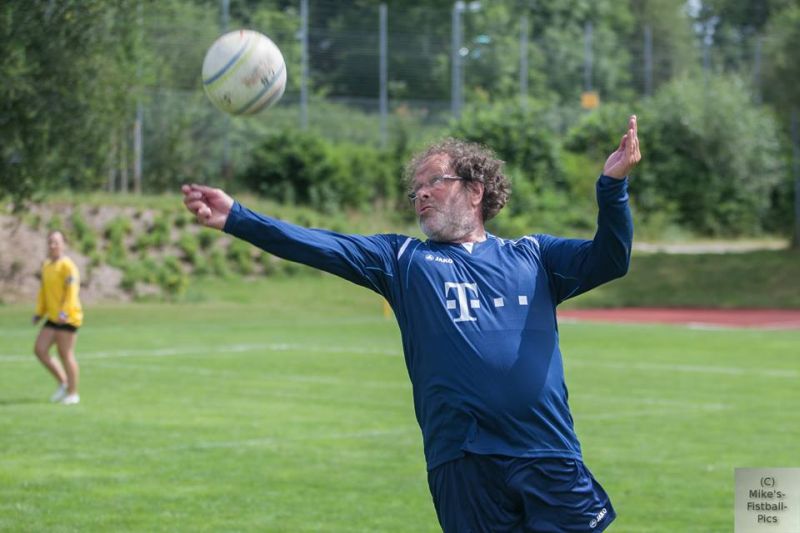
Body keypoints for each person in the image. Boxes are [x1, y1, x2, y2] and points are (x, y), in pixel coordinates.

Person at [182, 115, 641, 532]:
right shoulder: (402, 260)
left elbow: (610, 259)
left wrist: (612, 186)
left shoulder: (534, 255)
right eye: (415, 189)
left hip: (546, 450)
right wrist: (237, 218)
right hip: (462, 460)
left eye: (434, 182)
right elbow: (318, 245)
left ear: (475, 190)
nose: (421, 193)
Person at [32, 230, 83, 406]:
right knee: (40, 349)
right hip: (53, 317)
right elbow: (44, 292)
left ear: (64, 244)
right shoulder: (46, 266)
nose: (52, 245)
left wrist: (65, 312)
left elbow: (72, 292)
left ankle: (73, 393)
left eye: (56, 242)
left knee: (65, 354)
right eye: (50, 242)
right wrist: (39, 312)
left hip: (68, 317)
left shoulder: (68, 266)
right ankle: (63, 383)